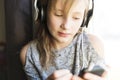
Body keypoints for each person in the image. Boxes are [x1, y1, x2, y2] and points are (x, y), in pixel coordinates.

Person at [20, 0, 109, 80]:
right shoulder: (29, 55)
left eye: (76, 17)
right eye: (58, 14)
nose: (66, 26)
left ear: (85, 19)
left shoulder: (94, 45)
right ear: (43, 13)